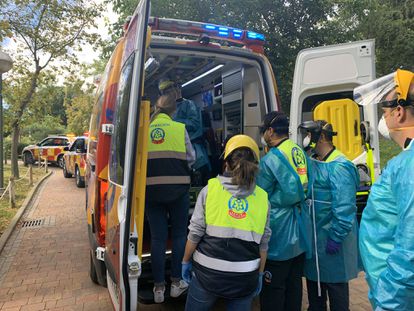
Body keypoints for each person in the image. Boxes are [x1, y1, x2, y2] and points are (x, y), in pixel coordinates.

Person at [181, 135, 271, 311]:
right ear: (255, 165)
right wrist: (259, 274)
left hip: (208, 274)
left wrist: (185, 261)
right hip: (245, 278)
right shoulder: (262, 198)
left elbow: (195, 232)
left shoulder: (210, 190)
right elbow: (264, 243)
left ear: (226, 163)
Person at [355, 69, 414, 310]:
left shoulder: (407, 167)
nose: (384, 119)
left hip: (399, 297)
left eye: (385, 112)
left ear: (399, 112)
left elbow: (410, 248)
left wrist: (389, 303)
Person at [299, 120, 359, 311]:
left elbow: (344, 207)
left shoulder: (340, 167)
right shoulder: (313, 161)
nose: (305, 139)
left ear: (322, 136)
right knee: (315, 294)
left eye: (309, 134)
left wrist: (336, 236)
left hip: (332, 242)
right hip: (315, 241)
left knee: (336, 293)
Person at [257, 111, 311, 311]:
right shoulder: (297, 150)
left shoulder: (270, 160)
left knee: (274, 289)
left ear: (270, 131)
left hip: (279, 233)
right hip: (299, 229)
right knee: (294, 286)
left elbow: (261, 197)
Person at [145, 93, 196, 303]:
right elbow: (192, 158)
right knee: (178, 236)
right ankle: (176, 283)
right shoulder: (179, 128)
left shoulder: (144, 130)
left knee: (157, 238)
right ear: (174, 110)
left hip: (151, 193)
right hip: (178, 192)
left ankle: (158, 289)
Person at [158, 79, 211, 184]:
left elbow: (194, 124)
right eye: (165, 93)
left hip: (196, 156)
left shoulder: (189, 105)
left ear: (177, 89)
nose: (168, 95)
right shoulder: (167, 110)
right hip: (178, 155)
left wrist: (172, 123)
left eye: (169, 91)